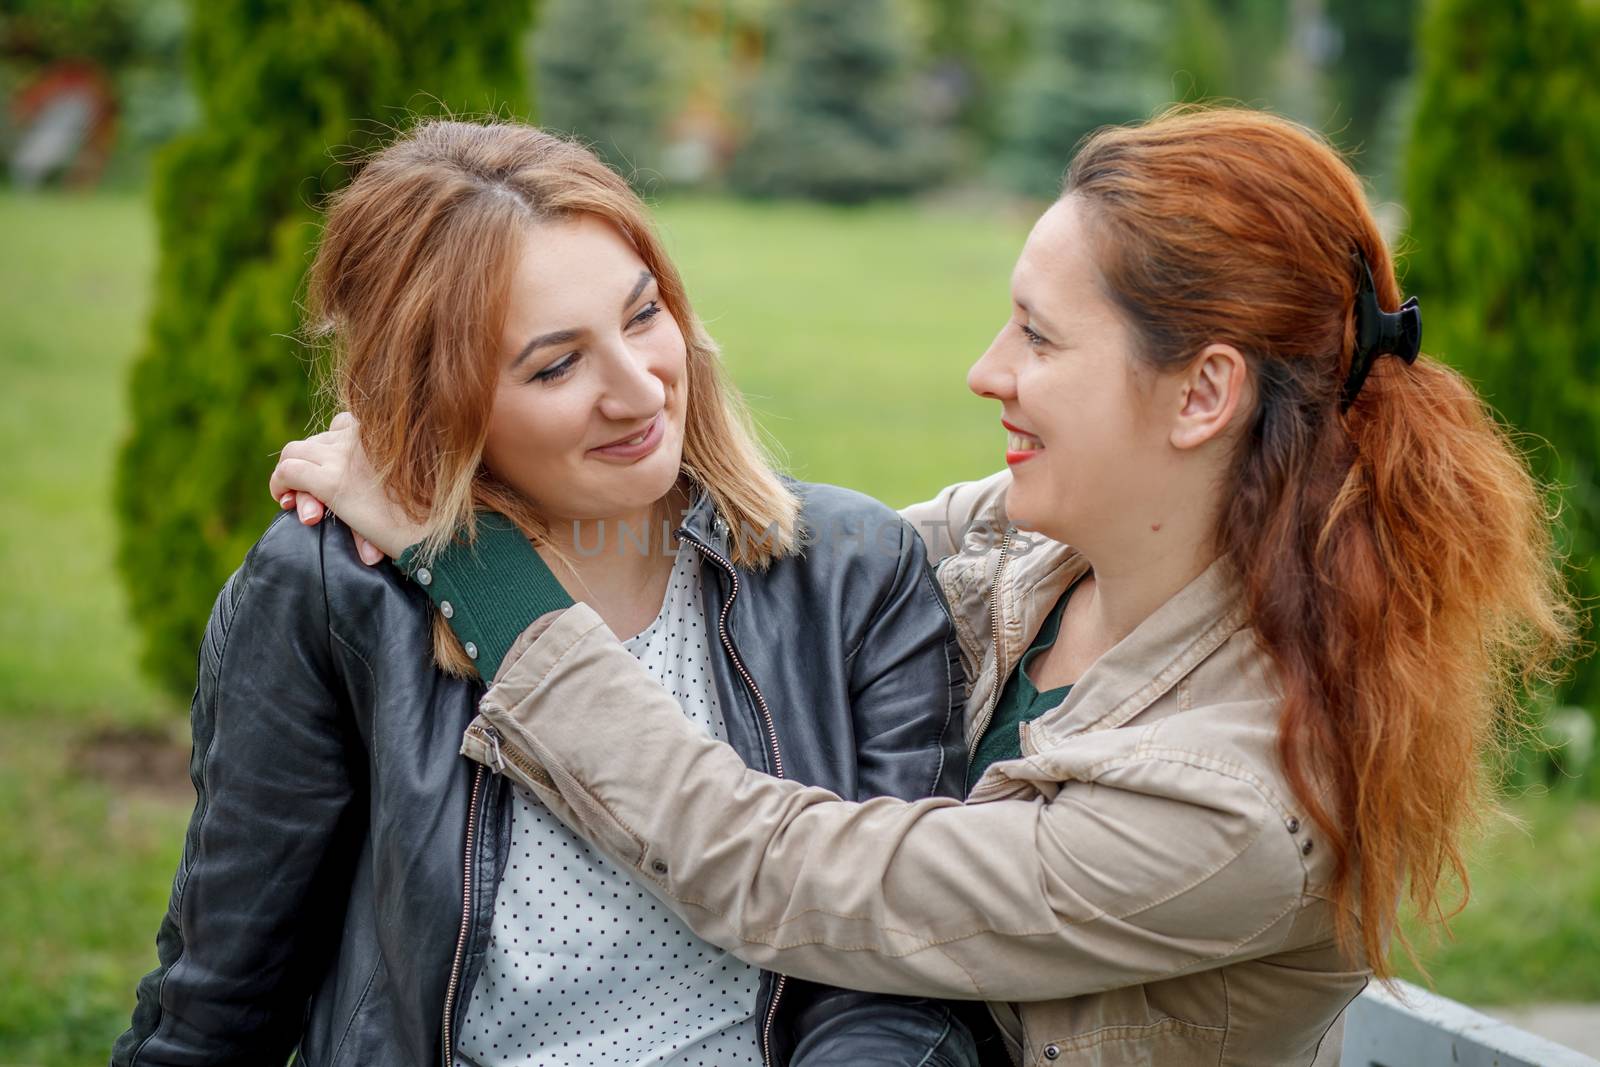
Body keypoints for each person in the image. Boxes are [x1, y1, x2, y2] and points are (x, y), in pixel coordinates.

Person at [275, 108, 1578, 1066]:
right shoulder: (1043, 546)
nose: (985, 368)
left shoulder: (1245, 798)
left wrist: (470, 561)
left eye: (1041, 335)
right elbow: (766, 573)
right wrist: (510, 433)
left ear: (1203, 393)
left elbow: (783, 872)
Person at [112, 120, 981, 1067]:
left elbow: (902, 975)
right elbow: (224, 990)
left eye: (644, 315)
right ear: (436, 397)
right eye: (557, 364)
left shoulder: (851, 571)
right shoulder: (336, 587)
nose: (640, 392)